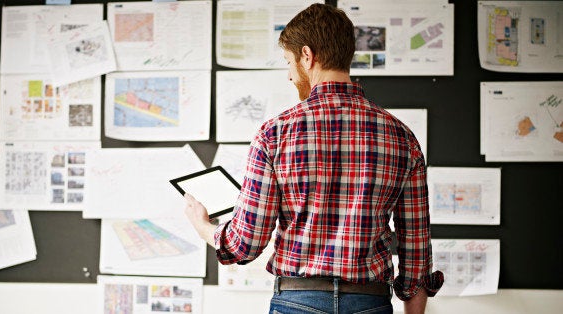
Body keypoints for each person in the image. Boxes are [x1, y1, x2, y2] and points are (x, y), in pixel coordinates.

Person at [184, 3, 443, 314]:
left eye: (289, 62)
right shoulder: (401, 136)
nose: (290, 75)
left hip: (297, 302)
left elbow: (245, 243)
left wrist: (201, 224)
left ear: (307, 56)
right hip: (370, 303)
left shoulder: (275, 133)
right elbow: (416, 252)